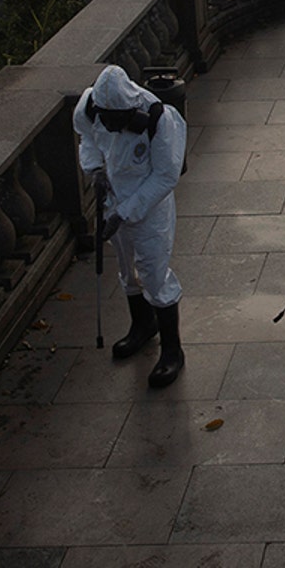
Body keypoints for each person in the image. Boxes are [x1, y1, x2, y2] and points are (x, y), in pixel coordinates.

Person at [74, 65, 187, 388]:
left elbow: (165, 176)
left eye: (115, 121)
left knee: (153, 272)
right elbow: (87, 139)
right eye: (105, 120)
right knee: (127, 269)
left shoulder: (159, 119)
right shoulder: (89, 107)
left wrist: (125, 212)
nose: (109, 126)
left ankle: (172, 350)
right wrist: (95, 170)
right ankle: (142, 324)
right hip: (113, 200)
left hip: (149, 207)